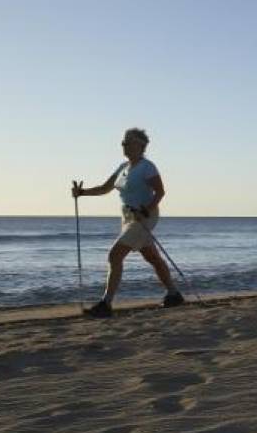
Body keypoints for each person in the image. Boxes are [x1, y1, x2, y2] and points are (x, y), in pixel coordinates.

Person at [72, 127, 183, 318]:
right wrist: (82, 193)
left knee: (115, 255)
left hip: (144, 216)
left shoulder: (147, 167)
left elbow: (160, 192)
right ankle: (174, 294)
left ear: (140, 145)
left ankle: (106, 304)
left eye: (128, 142)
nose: (123, 145)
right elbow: (105, 188)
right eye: (123, 142)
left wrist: (146, 210)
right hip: (128, 217)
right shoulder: (123, 167)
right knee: (152, 257)